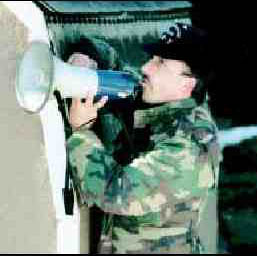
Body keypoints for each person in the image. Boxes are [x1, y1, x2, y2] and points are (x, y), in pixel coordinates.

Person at [67, 23, 222, 254]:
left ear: (186, 84)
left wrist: (81, 131)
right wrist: (86, 55)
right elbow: (112, 62)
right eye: (153, 57)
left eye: (161, 63)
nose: (146, 67)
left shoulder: (190, 147)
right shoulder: (159, 99)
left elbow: (116, 192)